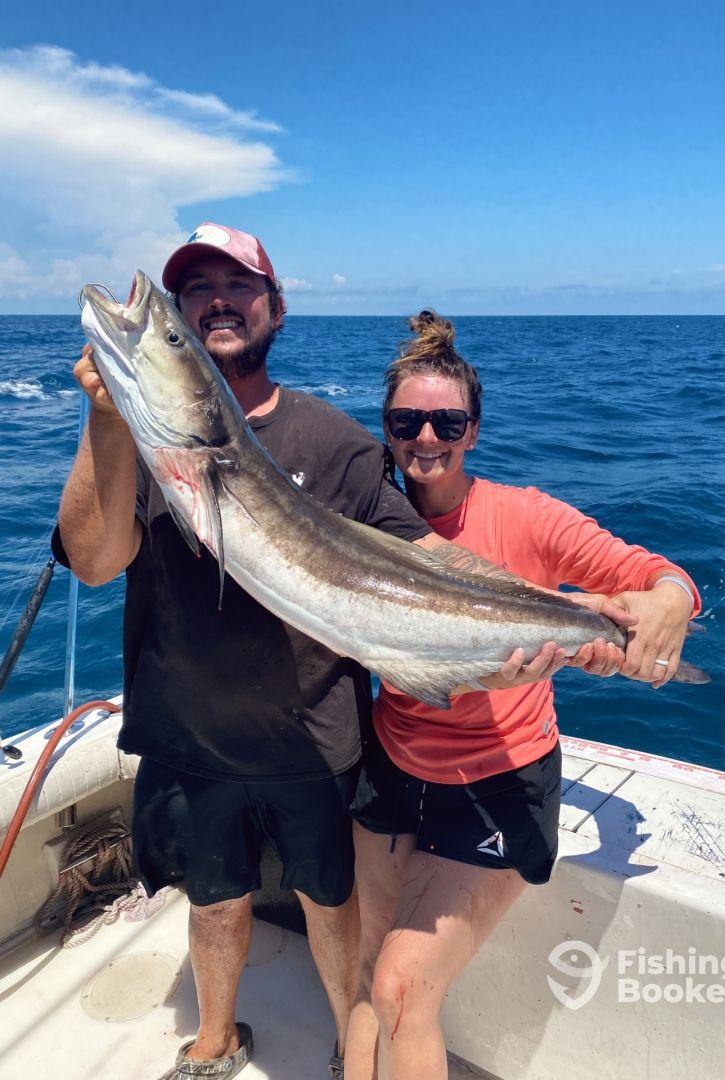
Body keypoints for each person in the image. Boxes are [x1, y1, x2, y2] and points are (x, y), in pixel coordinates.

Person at [54, 228, 634, 1080]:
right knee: (213, 905)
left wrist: (548, 621)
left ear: (275, 307)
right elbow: (96, 562)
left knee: (332, 908)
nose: (215, 299)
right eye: (192, 295)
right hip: (187, 732)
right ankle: (214, 1045)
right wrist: (107, 415)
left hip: (314, 741)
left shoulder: (338, 442)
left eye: (238, 285)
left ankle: (344, 1053)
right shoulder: (139, 436)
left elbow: (421, 559)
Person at [344, 311, 700, 1080]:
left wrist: (672, 597)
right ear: (386, 428)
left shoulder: (526, 514)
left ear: (474, 430)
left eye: (448, 420)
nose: (427, 437)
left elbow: (644, 572)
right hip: (392, 765)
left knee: (403, 988)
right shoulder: (366, 519)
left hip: (498, 784)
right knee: (367, 963)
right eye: (408, 420)